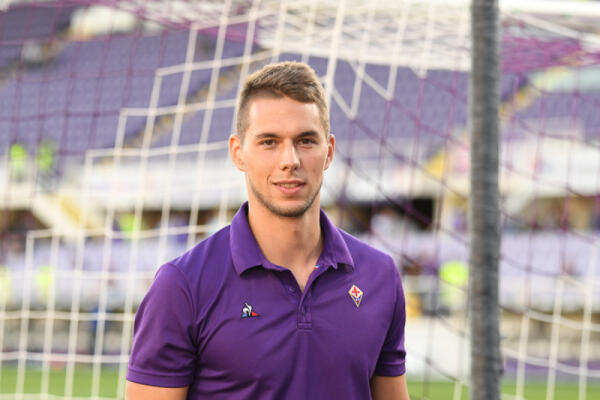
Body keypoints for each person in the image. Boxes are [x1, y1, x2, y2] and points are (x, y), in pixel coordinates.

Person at [126, 61, 410, 400]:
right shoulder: (182, 285)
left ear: (329, 151)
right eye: (269, 142)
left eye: (306, 140)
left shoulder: (380, 276)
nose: (290, 160)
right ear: (238, 153)